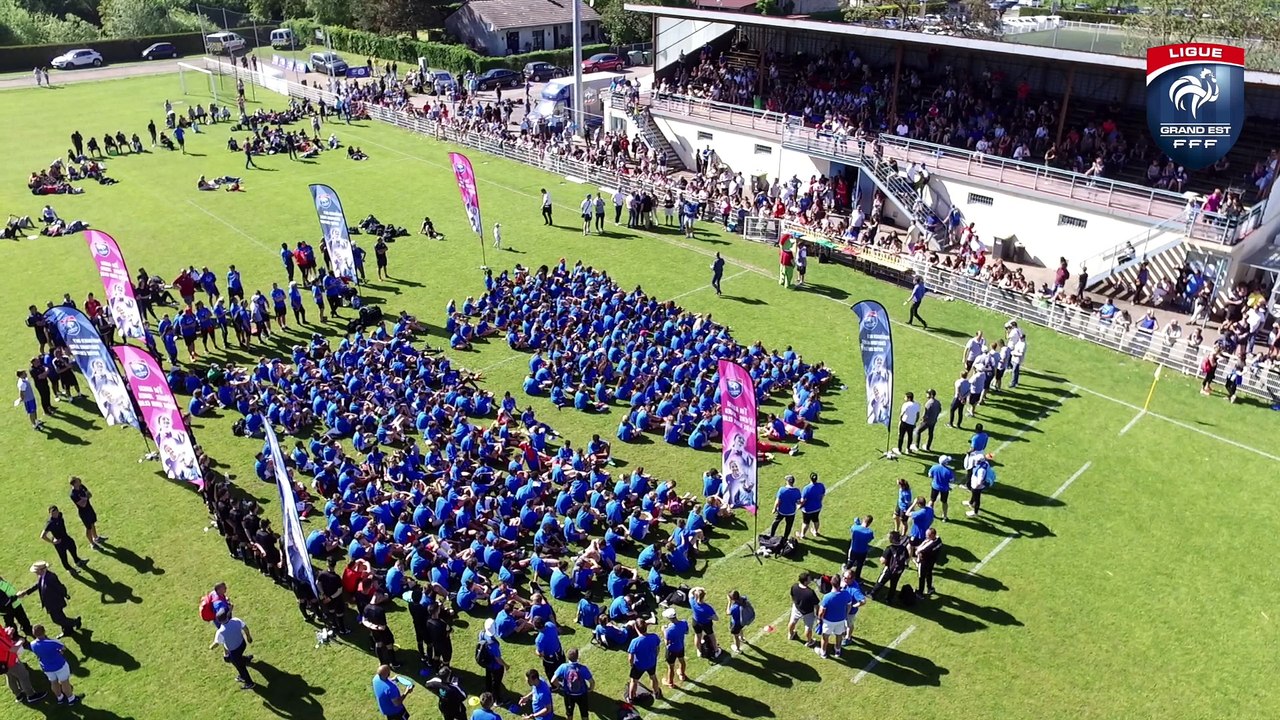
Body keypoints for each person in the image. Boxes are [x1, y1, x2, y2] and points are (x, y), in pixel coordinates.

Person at [209, 608, 255, 689]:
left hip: (234, 651)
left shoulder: (220, 632)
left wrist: (211, 647)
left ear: (219, 620)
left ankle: (249, 683)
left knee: (240, 667)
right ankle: (246, 659)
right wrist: (248, 637)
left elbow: (217, 643)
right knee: (238, 658)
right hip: (242, 644)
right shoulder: (236, 620)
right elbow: (245, 628)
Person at [29, 625, 75, 704]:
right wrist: (59, 652)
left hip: (47, 667)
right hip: (59, 665)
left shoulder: (32, 644)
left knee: (53, 682)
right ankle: (71, 699)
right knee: (65, 682)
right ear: (44, 632)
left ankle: (59, 698)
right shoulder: (53, 642)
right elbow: (63, 648)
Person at [550, 647, 594, 720]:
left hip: (569, 695)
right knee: (584, 714)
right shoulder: (583, 668)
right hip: (582, 694)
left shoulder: (563, 667)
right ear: (577, 657)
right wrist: (590, 689)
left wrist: (560, 686)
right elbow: (592, 682)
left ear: (568, 657)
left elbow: (552, 680)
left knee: (569, 714)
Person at [40, 507, 86, 575]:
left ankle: (77, 561)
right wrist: (53, 542)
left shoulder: (60, 515)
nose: (55, 514)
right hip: (59, 542)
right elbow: (42, 536)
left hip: (66, 537)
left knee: (73, 547)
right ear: (50, 514)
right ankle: (69, 569)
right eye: (52, 513)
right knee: (63, 557)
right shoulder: (50, 523)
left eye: (56, 512)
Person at [625, 620, 662, 702]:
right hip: (651, 662)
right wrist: (654, 657)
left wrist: (631, 665)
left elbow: (630, 657)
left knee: (633, 681)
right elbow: (657, 648)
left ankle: (631, 698)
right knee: (653, 677)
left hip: (638, 665)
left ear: (636, 628)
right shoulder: (654, 636)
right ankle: (656, 693)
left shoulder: (635, 642)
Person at [68, 477, 106, 550]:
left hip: (89, 508)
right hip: (83, 513)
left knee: (92, 523)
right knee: (88, 528)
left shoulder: (81, 486)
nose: (80, 481)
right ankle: (92, 544)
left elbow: (90, 495)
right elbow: (82, 505)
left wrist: (84, 498)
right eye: (78, 481)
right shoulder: (73, 494)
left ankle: (96, 538)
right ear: (74, 483)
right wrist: (85, 498)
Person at [785, 573, 819, 647]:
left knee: (792, 622)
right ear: (805, 581)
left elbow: (792, 596)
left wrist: (796, 603)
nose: (810, 579)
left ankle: (790, 634)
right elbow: (816, 605)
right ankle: (810, 641)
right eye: (809, 578)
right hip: (808, 612)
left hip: (796, 608)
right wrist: (817, 615)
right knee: (808, 628)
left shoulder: (794, 586)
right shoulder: (810, 592)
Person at [660, 608, 689, 688]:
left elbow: (666, 643)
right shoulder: (684, 623)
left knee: (671, 667)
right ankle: (682, 675)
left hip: (671, 650)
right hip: (680, 646)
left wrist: (664, 631)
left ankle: (670, 683)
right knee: (682, 661)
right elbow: (686, 632)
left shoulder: (668, 630)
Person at [768, 475, 801, 540]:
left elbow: (778, 501)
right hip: (791, 512)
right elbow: (798, 502)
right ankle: (785, 538)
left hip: (781, 511)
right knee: (789, 525)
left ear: (787, 482)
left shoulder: (782, 489)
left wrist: (774, 508)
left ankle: (771, 534)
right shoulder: (797, 491)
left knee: (776, 522)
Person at [915, 528, 942, 597]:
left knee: (921, 576)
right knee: (929, 573)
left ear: (933, 535)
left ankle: (920, 593)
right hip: (932, 560)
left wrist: (919, 548)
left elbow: (918, 552)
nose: (926, 537)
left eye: (928, 535)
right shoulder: (939, 540)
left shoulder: (929, 547)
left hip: (924, 562)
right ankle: (929, 588)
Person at [846, 516, 874, 581]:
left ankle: (845, 574)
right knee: (860, 565)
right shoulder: (870, 532)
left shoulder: (854, 527)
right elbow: (869, 540)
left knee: (850, 562)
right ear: (870, 523)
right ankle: (857, 578)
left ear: (863, 520)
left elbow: (852, 532)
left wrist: (857, 524)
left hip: (854, 550)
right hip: (863, 551)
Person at [798, 472, 825, 539]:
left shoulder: (806, 488)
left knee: (806, 522)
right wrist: (819, 502)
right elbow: (822, 495)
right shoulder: (821, 485)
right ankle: (815, 532)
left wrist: (799, 506)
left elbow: (803, 500)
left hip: (807, 510)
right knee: (816, 520)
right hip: (817, 507)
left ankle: (802, 535)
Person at [928, 455, 954, 521]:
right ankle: (944, 517)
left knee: (932, 500)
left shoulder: (934, 467)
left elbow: (930, 475)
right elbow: (951, 480)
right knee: (944, 502)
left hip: (935, 486)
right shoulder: (948, 471)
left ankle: (930, 514)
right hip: (944, 489)